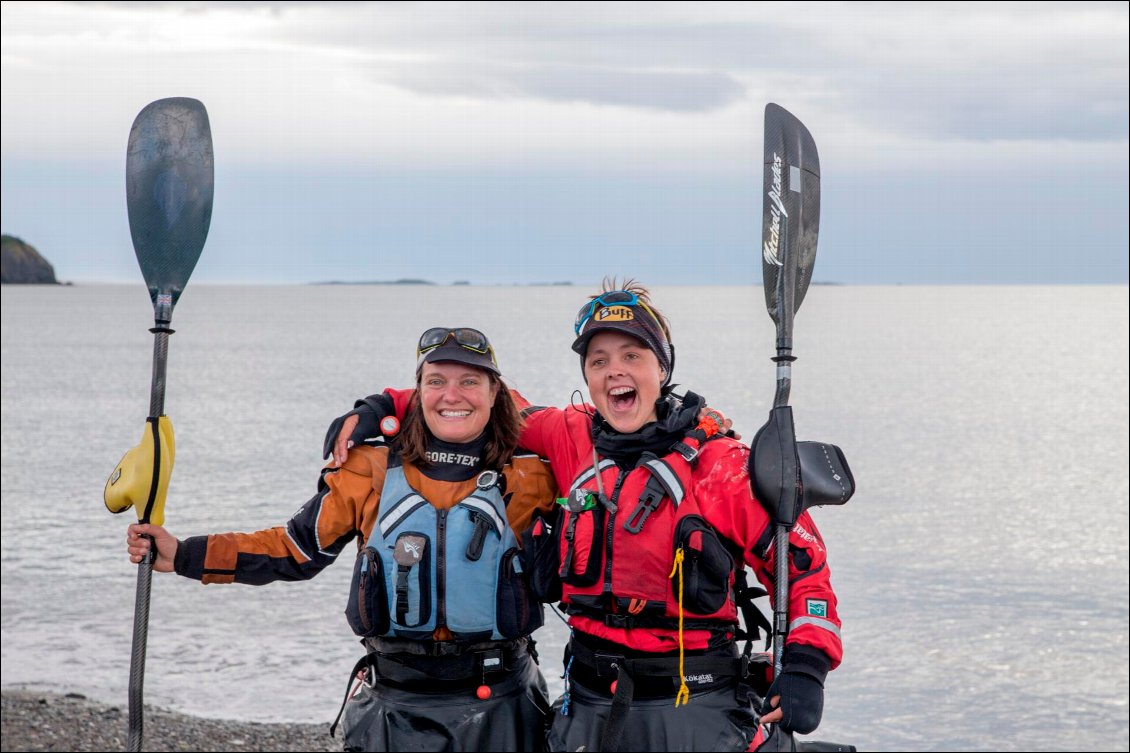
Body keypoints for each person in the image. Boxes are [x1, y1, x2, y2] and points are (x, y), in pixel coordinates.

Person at [328, 280, 842, 751]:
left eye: (631, 355)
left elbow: (805, 571)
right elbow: (477, 401)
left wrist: (806, 666)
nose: (614, 370)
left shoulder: (721, 465)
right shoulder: (568, 435)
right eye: (598, 361)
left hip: (695, 705)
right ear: (588, 378)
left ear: (661, 368)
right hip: (590, 702)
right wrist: (384, 404)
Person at [125, 327, 558, 752]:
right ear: (419, 391)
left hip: (504, 699)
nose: (452, 395)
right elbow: (293, 550)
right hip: (393, 701)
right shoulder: (369, 468)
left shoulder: (533, 473)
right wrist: (184, 554)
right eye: (436, 381)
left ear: (494, 391)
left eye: (470, 381)